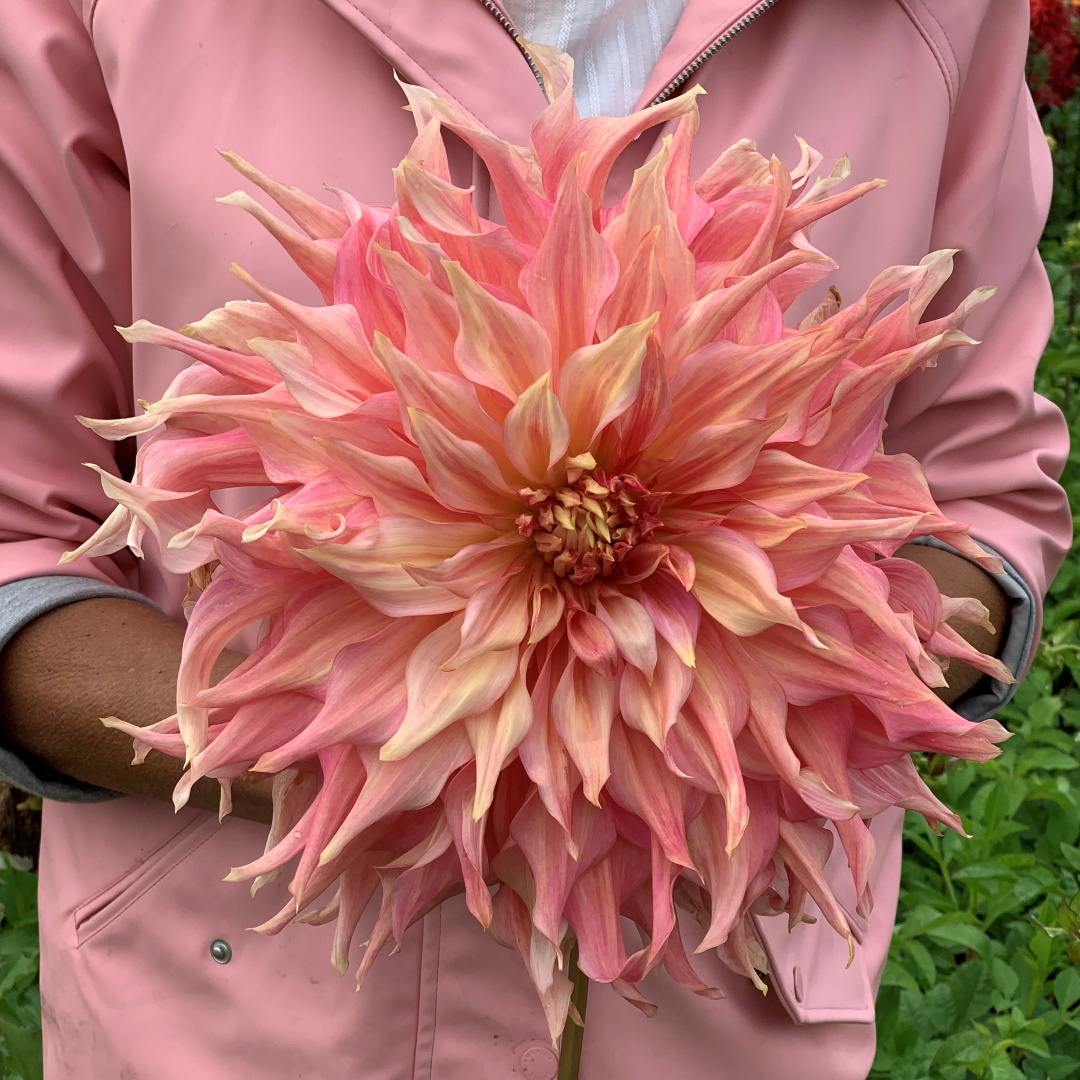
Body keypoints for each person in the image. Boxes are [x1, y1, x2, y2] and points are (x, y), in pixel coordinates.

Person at [0, 1, 1070, 1077]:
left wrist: (811, 687)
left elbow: (977, 484)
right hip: (239, 1010)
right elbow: (15, 541)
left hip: (710, 1017)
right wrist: (327, 745)